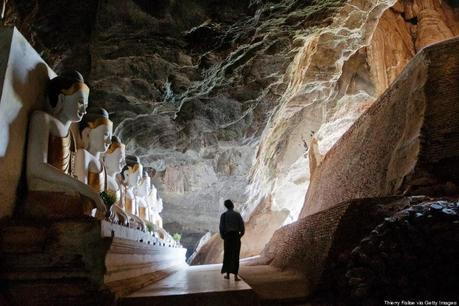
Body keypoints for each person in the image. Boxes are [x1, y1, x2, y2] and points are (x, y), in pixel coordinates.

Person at [219, 199, 245, 281]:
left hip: (228, 237)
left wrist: (224, 237)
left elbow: (221, 228)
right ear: (232, 205)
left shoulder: (223, 215)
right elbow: (242, 226)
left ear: (226, 206)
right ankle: (236, 276)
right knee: (236, 255)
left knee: (227, 255)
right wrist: (240, 236)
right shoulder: (237, 214)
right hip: (236, 236)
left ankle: (227, 274)